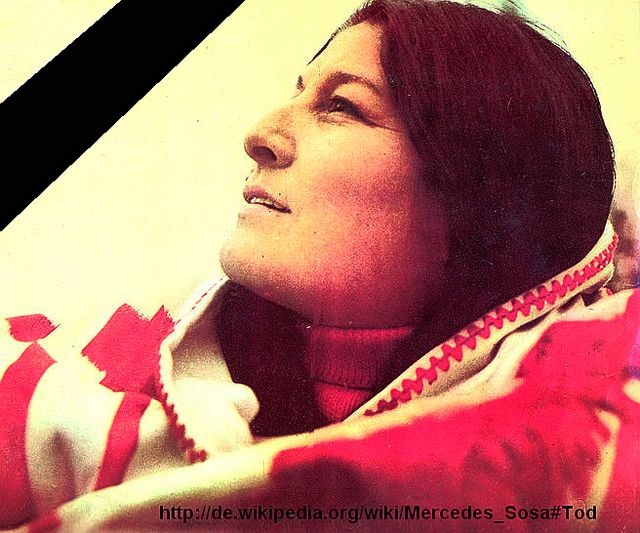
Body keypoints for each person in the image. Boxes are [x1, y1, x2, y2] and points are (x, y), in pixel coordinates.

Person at [1, 0, 637, 531]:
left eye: (342, 106)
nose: (259, 135)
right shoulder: (69, 380)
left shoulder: (600, 418)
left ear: (481, 190)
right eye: (299, 93)